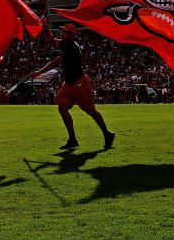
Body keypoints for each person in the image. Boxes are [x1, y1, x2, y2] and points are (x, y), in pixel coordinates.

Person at [29, 22, 115, 150]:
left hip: (79, 83)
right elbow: (52, 41)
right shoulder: (66, 43)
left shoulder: (72, 48)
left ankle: (107, 134)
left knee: (90, 111)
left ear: (71, 35)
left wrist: (39, 73)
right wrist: (46, 28)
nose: (62, 33)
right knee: (62, 108)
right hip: (69, 83)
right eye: (62, 31)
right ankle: (73, 139)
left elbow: (56, 61)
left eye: (64, 31)